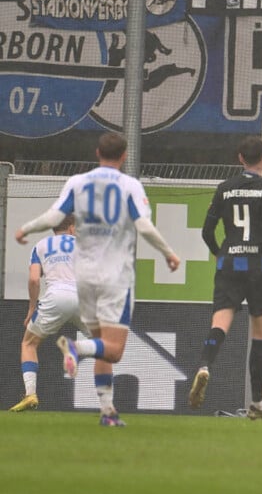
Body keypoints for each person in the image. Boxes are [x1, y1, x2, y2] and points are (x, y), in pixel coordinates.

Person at [15, 132, 181, 427]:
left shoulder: (78, 182)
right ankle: (78, 349)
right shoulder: (130, 185)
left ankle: (108, 412)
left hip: (86, 279)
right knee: (112, 349)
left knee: (101, 343)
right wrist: (168, 252)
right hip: (115, 276)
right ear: (124, 156)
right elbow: (143, 225)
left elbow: (53, 217)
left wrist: (26, 229)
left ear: (97, 153)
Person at [188, 136, 262, 419]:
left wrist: (219, 253)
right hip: (260, 265)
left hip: (230, 263)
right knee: (261, 336)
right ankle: (258, 404)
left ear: (240, 158)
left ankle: (204, 365)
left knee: (220, 323)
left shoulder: (224, 188)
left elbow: (206, 231)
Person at [10, 215, 86, 412]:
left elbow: (34, 279)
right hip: (83, 299)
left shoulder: (41, 246)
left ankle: (30, 394)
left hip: (55, 298)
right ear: (71, 228)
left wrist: (32, 307)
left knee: (28, 344)